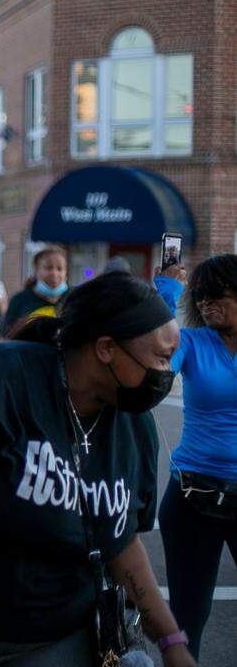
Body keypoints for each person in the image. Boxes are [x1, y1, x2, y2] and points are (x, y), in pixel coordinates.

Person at [0, 273, 195, 667]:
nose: (168, 372)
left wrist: (171, 640)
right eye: (161, 358)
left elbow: (121, 543)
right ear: (106, 348)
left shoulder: (136, 424)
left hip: (56, 637)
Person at [154, 255, 237, 659]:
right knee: (188, 616)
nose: (204, 302)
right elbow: (155, 363)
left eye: (216, 293)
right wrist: (167, 292)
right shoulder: (191, 342)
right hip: (193, 496)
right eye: (199, 295)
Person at [4, 245, 68, 334]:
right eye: (48, 268)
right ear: (36, 270)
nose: (54, 273)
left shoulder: (75, 297)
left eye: (60, 269)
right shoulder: (19, 300)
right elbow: (6, 336)